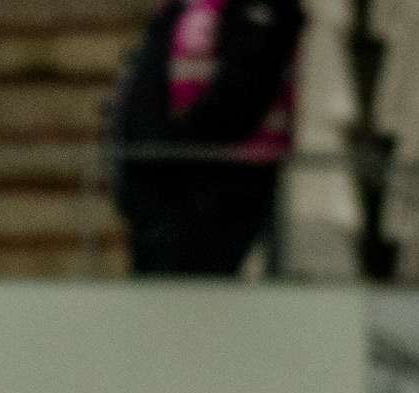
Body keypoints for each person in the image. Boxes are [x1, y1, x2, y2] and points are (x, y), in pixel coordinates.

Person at [111, 0, 307, 275]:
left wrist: (173, 159)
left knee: (197, 286)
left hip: (217, 186)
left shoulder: (262, 9)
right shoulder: (181, 8)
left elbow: (243, 93)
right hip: (160, 186)